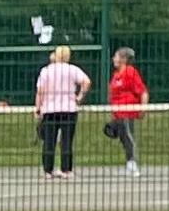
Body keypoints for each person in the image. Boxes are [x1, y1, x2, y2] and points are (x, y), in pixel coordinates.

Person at [33, 44, 90, 178]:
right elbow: (86, 82)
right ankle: (66, 170)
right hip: (69, 109)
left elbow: (40, 91)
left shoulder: (46, 70)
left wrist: (38, 107)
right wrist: (79, 96)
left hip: (50, 109)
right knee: (67, 140)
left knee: (49, 140)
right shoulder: (72, 69)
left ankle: (48, 170)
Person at [102, 47, 149, 175]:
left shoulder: (130, 72)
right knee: (121, 136)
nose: (113, 59)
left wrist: (143, 109)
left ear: (123, 59)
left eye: (116, 56)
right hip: (117, 112)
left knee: (128, 136)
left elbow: (143, 92)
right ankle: (129, 161)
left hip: (127, 111)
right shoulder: (116, 75)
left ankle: (132, 162)